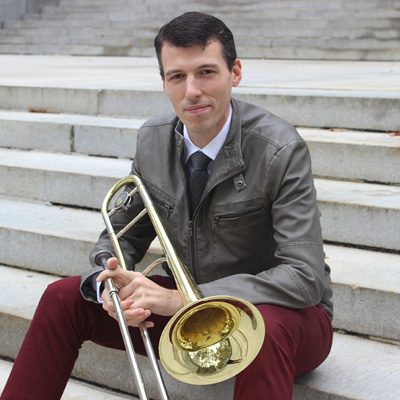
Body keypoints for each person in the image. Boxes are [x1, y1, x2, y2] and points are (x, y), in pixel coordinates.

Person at [1, 11, 333, 400]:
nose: (192, 90)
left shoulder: (280, 148)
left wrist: (188, 298)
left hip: (284, 317)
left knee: (268, 330)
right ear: (163, 82)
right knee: (63, 298)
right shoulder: (153, 140)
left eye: (206, 72)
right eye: (177, 76)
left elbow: (304, 277)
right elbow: (122, 234)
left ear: (235, 72)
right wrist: (110, 283)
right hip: (187, 315)